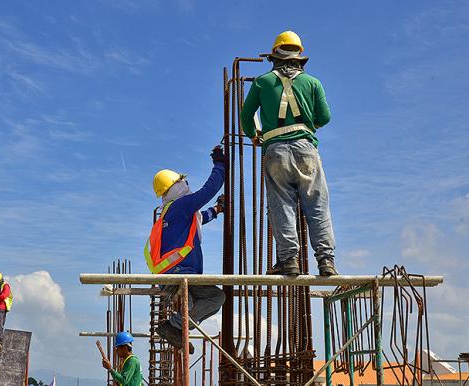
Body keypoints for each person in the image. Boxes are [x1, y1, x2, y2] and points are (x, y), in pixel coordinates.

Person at [240, 30, 338, 277]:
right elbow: (324, 118)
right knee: (317, 205)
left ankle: (289, 261)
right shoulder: (312, 83)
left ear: (275, 57)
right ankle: (326, 261)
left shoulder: (262, 82)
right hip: (306, 150)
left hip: (275, 151)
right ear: (299, 57)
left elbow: (245, 115)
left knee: (281, 205)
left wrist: (254, 134)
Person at [145, 145, 226, 352]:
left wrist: (216, 210)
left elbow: (198, 220)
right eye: (182, 182)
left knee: (203, 302)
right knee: (212, 299)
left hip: (174, 275)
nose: (186, 184)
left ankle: (176, 327)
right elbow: (210, 188)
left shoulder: (171, 211)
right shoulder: (181, 205)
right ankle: (175, 327)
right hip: (180, 275)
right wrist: (220, 164)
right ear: (175, 186)